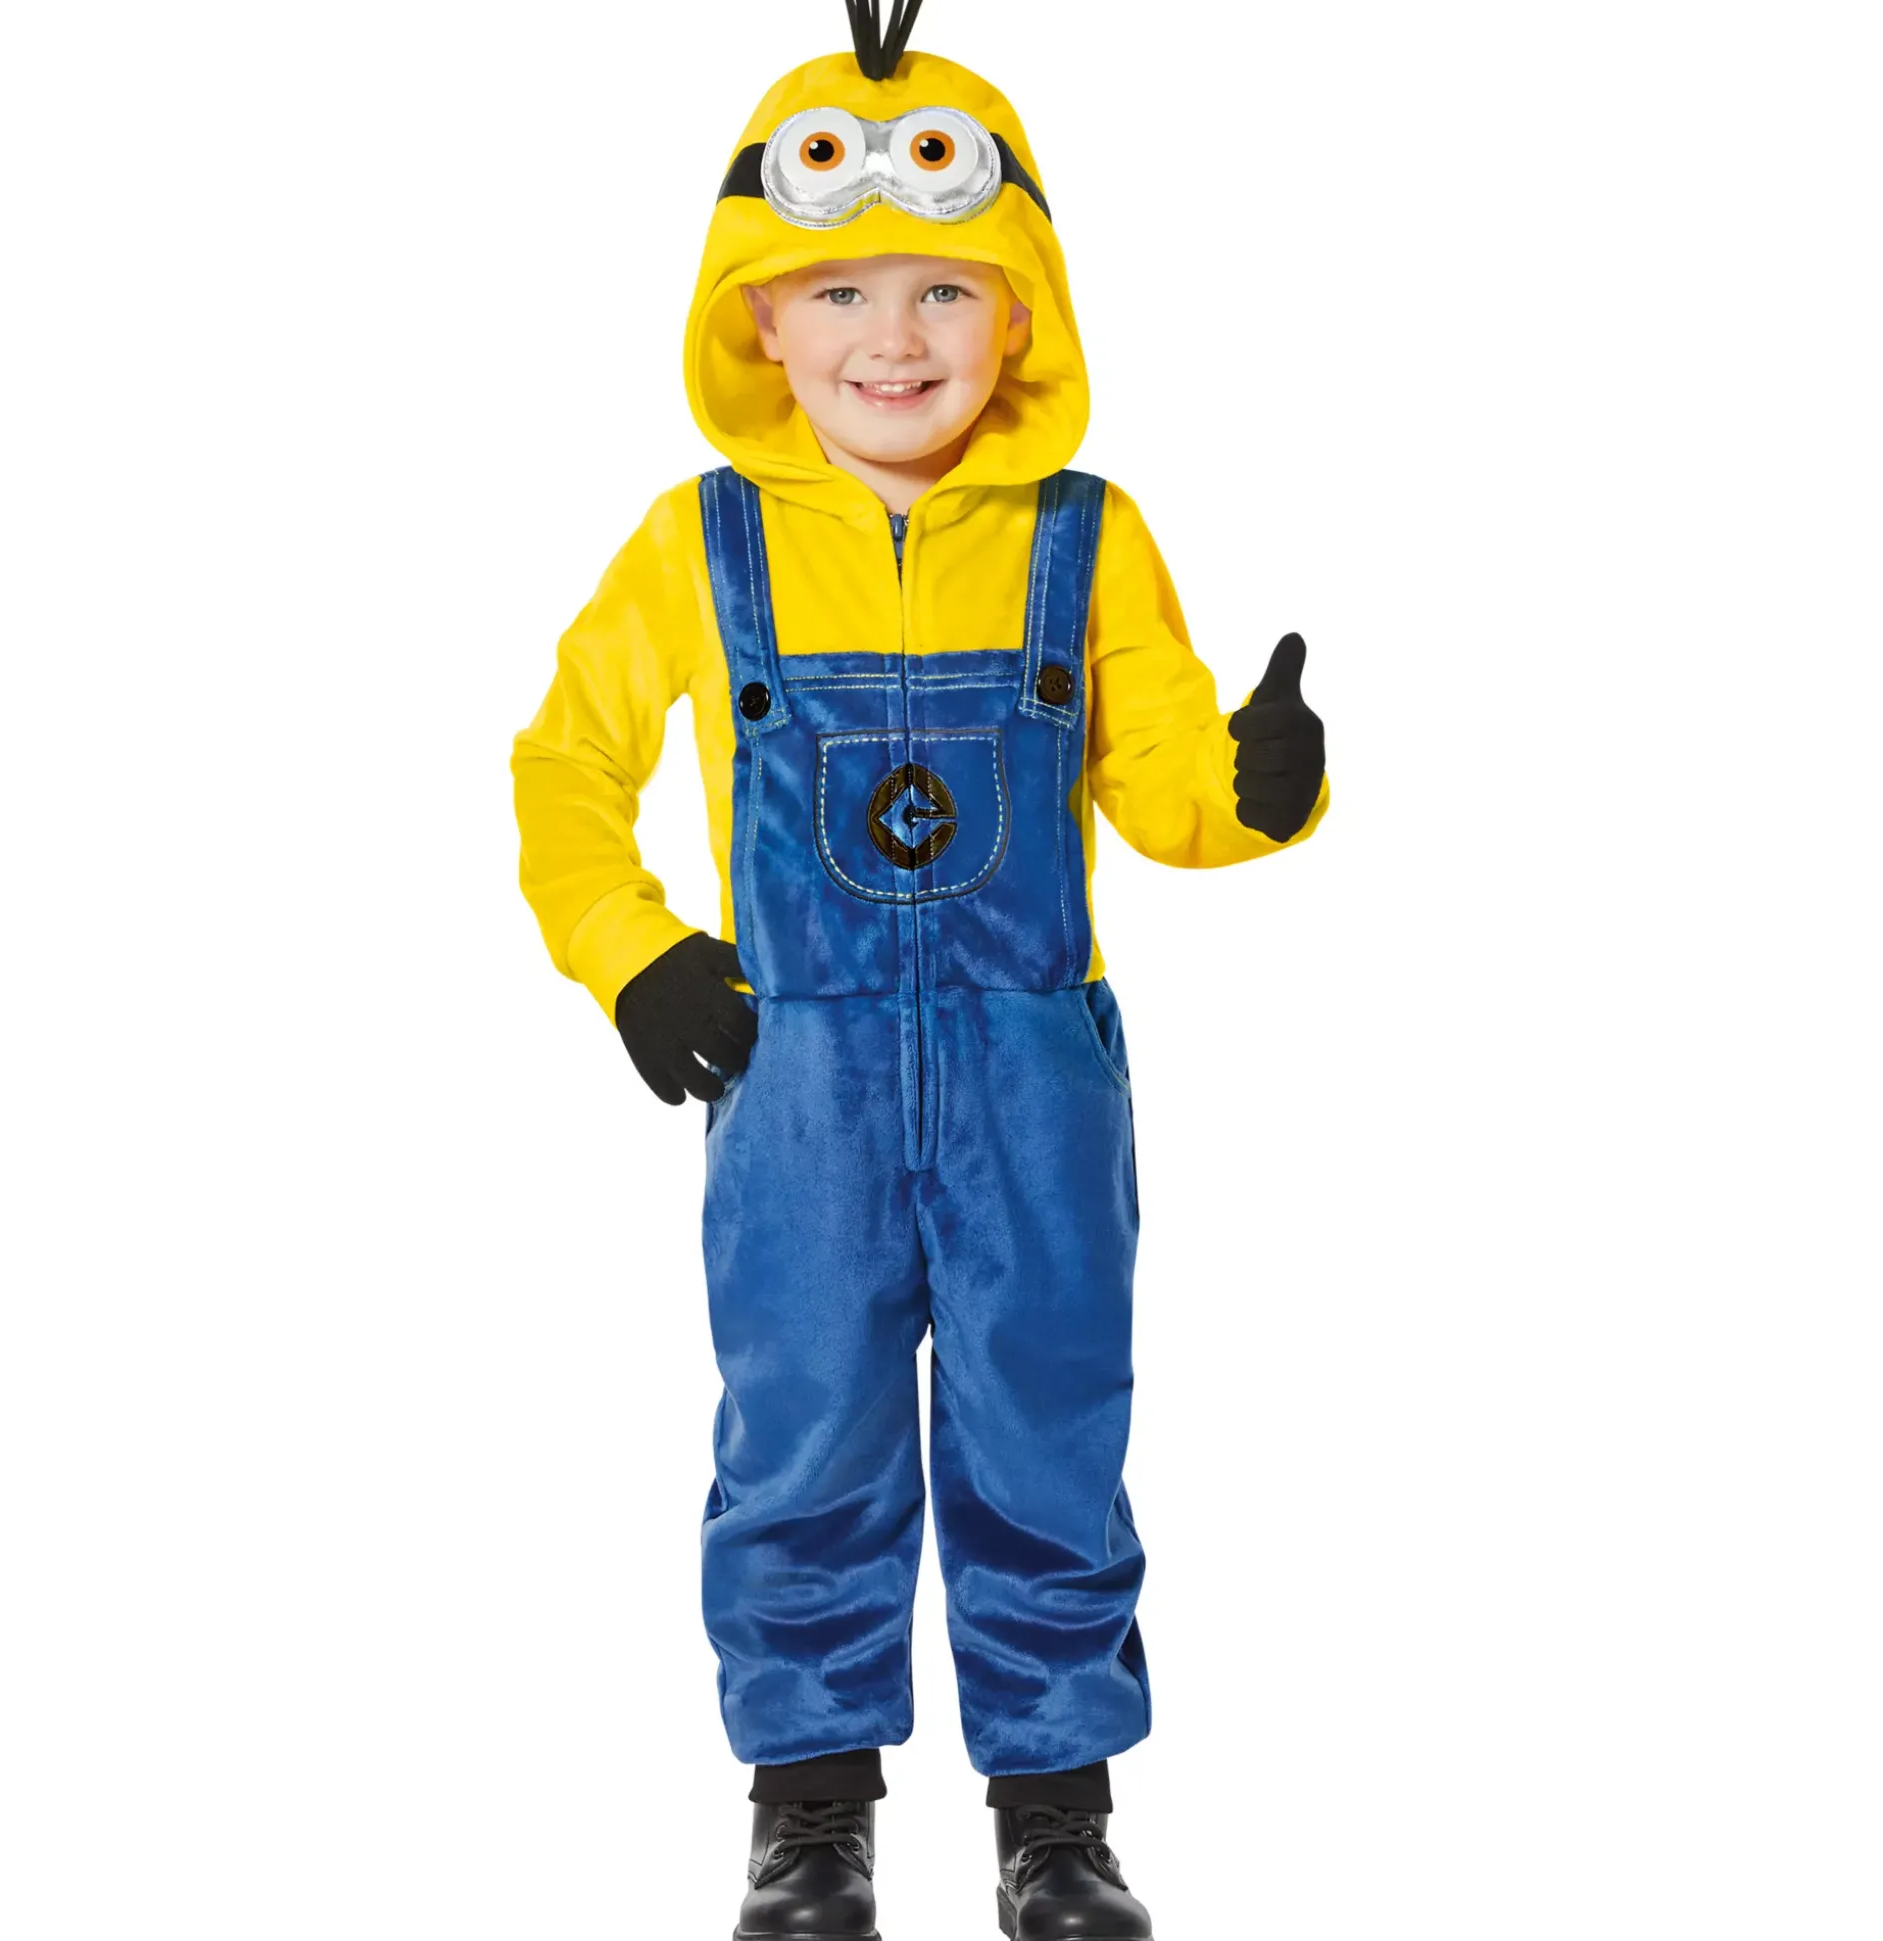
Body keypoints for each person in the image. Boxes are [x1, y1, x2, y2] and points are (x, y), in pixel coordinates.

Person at [510, 7, 1328, 1935]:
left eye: (946, 287)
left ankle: (1057, 1817)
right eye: (841, 291)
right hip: (791, 1085)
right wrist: (635, 957)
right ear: (759, 318)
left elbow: (1159, 787)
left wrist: (1259, 788)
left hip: (1034, 1079)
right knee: (804, 1437)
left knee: (1053, 1424)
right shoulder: (696, 545)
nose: (895, 337)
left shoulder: (1086, 540)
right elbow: (563, 769)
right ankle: (810, 1814)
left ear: (1021, 310)